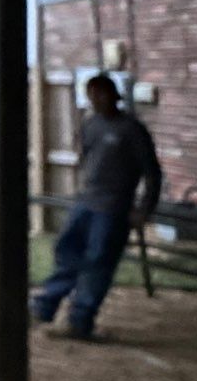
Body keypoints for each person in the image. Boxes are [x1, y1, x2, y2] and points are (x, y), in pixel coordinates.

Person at [31, 72, 162, 340]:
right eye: (91, 94)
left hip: (113, 208)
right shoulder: (91, 125)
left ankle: (80, 319)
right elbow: (87, 158)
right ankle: (44, 306)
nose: (96, 99)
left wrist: (144, 208)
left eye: (101, 93)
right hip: (86, 201)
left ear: (114, 94)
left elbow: (152, 172)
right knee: (67, 250)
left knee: (98, 261)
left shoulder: (131, 129)